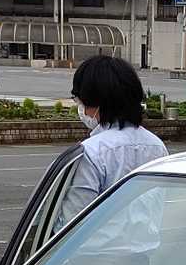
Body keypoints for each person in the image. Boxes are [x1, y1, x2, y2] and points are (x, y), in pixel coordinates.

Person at [55, 54, 166, 229]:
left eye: (80, 101)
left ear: (97, 102)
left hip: (94, 246)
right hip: (148, 245)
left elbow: (74, 222)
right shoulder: (157, 146)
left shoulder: (91, 153)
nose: (81, 109)